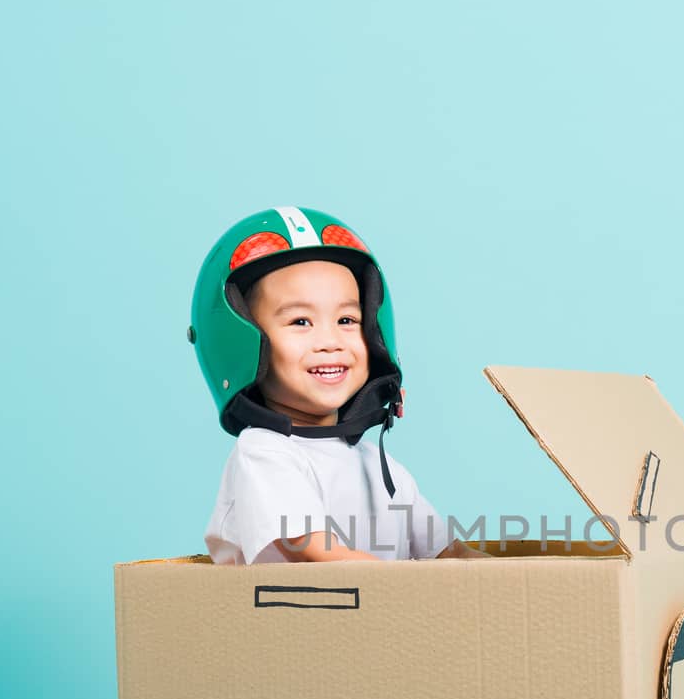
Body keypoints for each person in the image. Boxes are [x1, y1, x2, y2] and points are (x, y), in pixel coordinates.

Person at [191, 206, 487, 564]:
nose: (330, 341)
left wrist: (509, 580)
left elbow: (447, 553)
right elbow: (321, 556)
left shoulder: (377, 465)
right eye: (301, 321)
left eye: (347, 319)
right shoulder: (265, 453)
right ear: (244, 343)